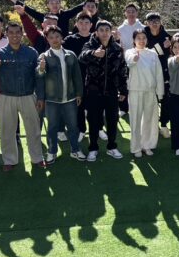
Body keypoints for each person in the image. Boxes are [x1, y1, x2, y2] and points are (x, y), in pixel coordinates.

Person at [0, 21, 45, 171]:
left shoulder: (31, 52)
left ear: (22, 34)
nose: (14, 35)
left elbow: (39, 76)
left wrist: (40, 97)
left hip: (28, 96)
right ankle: (9, 160)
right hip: (6, 97)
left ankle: (37, 158)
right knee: (7, 130)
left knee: (34, 129)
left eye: (17, 33)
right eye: (11, 33)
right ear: (7, 34)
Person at [79, 20, 128, 162]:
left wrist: (123, 90)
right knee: (93, 121)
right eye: (101, 30)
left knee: (112, 120)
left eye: (107, 30)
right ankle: (93, 148)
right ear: (96, 32)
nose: (104, 33)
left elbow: (122, 70)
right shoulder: (90, 45)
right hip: (93, 91)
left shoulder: (117, 48)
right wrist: (93, 53)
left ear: (111, 32)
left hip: (111, 91)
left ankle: (112, 147)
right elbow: (81, 58)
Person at [36, 26, 85, 163]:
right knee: (52, 127)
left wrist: (79, 93)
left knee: (73, 126)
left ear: (62, 37)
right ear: (47, 39)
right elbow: (39, 77)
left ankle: (75, 150)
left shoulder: (71, 55)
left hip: (70, 98)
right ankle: (52, 152)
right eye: (51, 37)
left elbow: (77, 76)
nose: (55, 39)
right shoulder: (44, 56)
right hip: (52, 100)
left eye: (57, 36)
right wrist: (41, 69)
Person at [125, 29, 164, 158]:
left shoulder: (152, 54)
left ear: (147, 40)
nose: (141, 41)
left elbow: (158, 74)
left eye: (144, 38)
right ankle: (136, 147)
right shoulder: (130, 52)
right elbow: (129, 62)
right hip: (135, 90)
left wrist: (160, 92)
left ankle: (146, 145)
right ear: (134, 40)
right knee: (135, 120)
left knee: (149, 119)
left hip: (150, 91)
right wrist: (134, 59)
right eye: (138, 38)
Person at [5, 0, 103, 37]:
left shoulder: (65, 14)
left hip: (65, 44)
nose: (55, 5)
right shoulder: (44, 17)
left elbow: (79, 7)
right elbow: (29, 10)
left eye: (57, 3)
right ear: (48, 5)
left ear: (60, 4)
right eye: (52, 3)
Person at [63, 12, 94, 142]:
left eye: (86, 23)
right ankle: (81, 129)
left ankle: (98, 129)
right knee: (79, 106)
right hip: (76, 78)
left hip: (94, 78)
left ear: (91, 25)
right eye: (81, 23)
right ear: (76, 24)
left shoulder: (96, 38)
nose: (84, 25)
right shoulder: (69, 40)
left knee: (94, 106)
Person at [144, 12, 173, 137]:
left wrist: (168, 48)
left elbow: (173, 54)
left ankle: (164, 125)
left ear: (160, 22)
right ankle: (152, 125)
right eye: (151, 21)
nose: (154, 24)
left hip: (165, 73)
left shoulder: (167, 37)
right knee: (151, 100)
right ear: (147, 23)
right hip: (148, 73)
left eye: (156, 21)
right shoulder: (142, 36)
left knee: (166, 100)